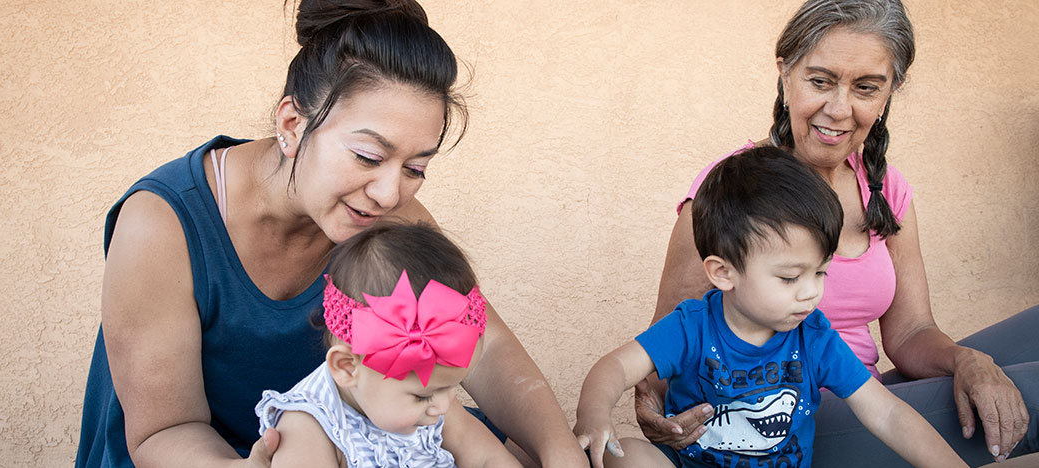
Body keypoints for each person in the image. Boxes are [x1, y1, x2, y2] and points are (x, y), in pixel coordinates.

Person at [73, 1, 586, 466]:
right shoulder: (160, 225)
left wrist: (560, 452)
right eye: (368, 156)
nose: (389, 193)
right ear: (293, 124)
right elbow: (165, 430)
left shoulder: (391, 221)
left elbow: (484, 345)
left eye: (416, 167)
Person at [636, 1, 1039, 465]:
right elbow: (664, 345)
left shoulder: (884, 187)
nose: (839, 109)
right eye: (820, 81)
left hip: (865, 398)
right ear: (785, 73)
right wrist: (653, 409)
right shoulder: (734, 195)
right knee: (1035, 391)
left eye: (866, 87)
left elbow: (911, 332)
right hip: (784, 426)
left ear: (892, 90)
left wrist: (966, 360)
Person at [580, 147, 962, 468]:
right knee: (628, 456)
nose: (811, 293)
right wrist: (595, 415)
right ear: (723, 272)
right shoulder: (691, 326)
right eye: (790, 278)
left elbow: (888, 413)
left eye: (821, 273)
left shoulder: (814, 337)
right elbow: (614, 366)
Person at [254, 221, 517, 467]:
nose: (444, 406)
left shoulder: (433, 398)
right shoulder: (308, 428)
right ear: (347, 367)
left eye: (451, 387)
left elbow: (488, 458)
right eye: (422, 396)